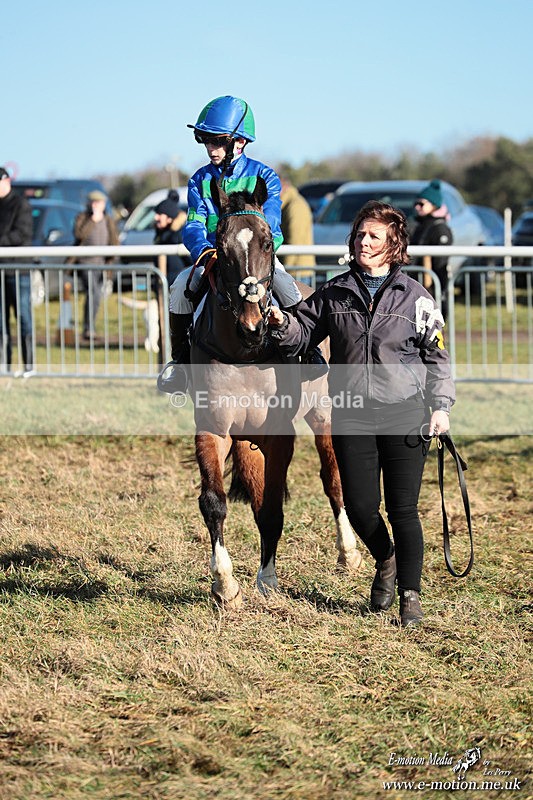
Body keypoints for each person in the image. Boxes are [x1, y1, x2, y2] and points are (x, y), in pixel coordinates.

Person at [268, 201, 455, 627]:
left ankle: (409, 594)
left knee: (403, 509)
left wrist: (440, 407)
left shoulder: (416, 297)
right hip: (352, 413)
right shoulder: (334, 294)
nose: (363, 242)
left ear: (394, 244)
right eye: (359, 235)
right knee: (359, 508)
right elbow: (299, 336)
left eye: (373, 236)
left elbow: (437, 357)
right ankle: (386, 558)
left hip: (407, 412)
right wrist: (281, 322)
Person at [158, 95, 326, 393]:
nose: (210, 148)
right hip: (215, 256)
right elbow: (194, 224)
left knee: (287, 287)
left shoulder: (265, 176)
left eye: (217, 141)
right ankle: (180, 366)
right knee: (179, 289)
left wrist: (258, 252)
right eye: (205, 140)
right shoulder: (199, 179)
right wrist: (205, 252)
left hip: (258, 257)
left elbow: (272, 226)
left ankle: (310, 351)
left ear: (240, 142)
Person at [71, 190, 119, 340]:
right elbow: (79, 235)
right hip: (85, 262)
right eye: (94, 203)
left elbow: (114, 240)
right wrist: (92, 220)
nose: (96, 206)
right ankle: (88, 328)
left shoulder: (108, 220)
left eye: (99, 203)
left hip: (102, 264)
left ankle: (90, 326)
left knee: (96, 295)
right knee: (94, 292)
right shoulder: (83, 218)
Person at [0, 166, 34, 375]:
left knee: (23, 318)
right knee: (0, 322)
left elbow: (22, 234)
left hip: (18, 269)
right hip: (0, 270)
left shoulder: (21, 205)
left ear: (6, 182)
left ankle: (28, 366)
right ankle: (4, 365)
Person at [410, 180, 453, 316]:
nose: (417, 207)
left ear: (434, 205)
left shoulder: (440, 228)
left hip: (433, 289)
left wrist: (437, 291)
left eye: (421, 204)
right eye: (416, 203)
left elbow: (440, 263)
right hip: (418, 286)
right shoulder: (420, 226)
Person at [279, 175, 316, 275]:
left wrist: (284, 271)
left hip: (298, 271)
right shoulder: (286, 205)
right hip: (295, 270)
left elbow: (295, 240)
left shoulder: (295, 206)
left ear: (285, 187)